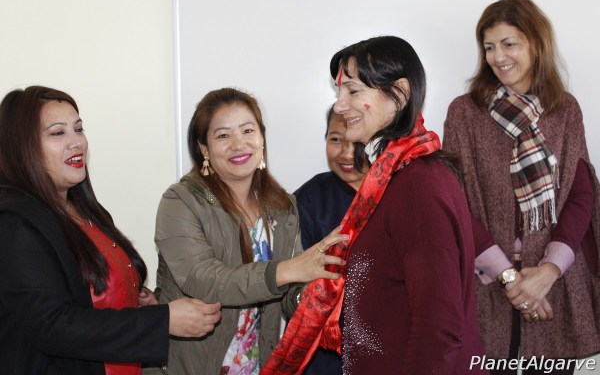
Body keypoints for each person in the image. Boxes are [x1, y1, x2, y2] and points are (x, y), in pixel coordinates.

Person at [263, 36, 488, 375]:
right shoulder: (389, 176)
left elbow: (438, 326)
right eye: (339, 92)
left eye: (353, 91)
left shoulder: (419, 182)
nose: (340, 105)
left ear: (399, 93)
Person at [0, 86, 222, 375]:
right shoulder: (15, 222)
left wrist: (139, 301)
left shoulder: (86, 211)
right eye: (58, 133)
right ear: (21, 147)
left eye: (78, 129)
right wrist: (162, 321)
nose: (77, 142)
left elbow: (91, 296)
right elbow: (52, 325)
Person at [443, 0, 600, 375]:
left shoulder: (565, 110)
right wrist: (511, 279)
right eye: (489, 47)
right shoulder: (465, 112)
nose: (498, 57)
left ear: (536, 44)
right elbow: (454, 201)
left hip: (557, 283)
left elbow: (581, 195)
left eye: (509, 44)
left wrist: (548, 272)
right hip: (487, 284)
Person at [148, 87, 346, 375]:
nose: (239, 144)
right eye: (223, 136)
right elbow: (204, 280)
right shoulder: (181, 201)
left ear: (261, 138)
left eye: (248, 131)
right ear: (204, 149)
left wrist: (310, 294)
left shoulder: (282, 205)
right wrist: (289, 270)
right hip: (191, 366)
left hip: (257, 365)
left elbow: (288, 292)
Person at [294, 105, 368, 375]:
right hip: (325, 351)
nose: (347, 153)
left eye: (359, 143)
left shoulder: (400, 190)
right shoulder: (308, 200)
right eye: (336, 139)